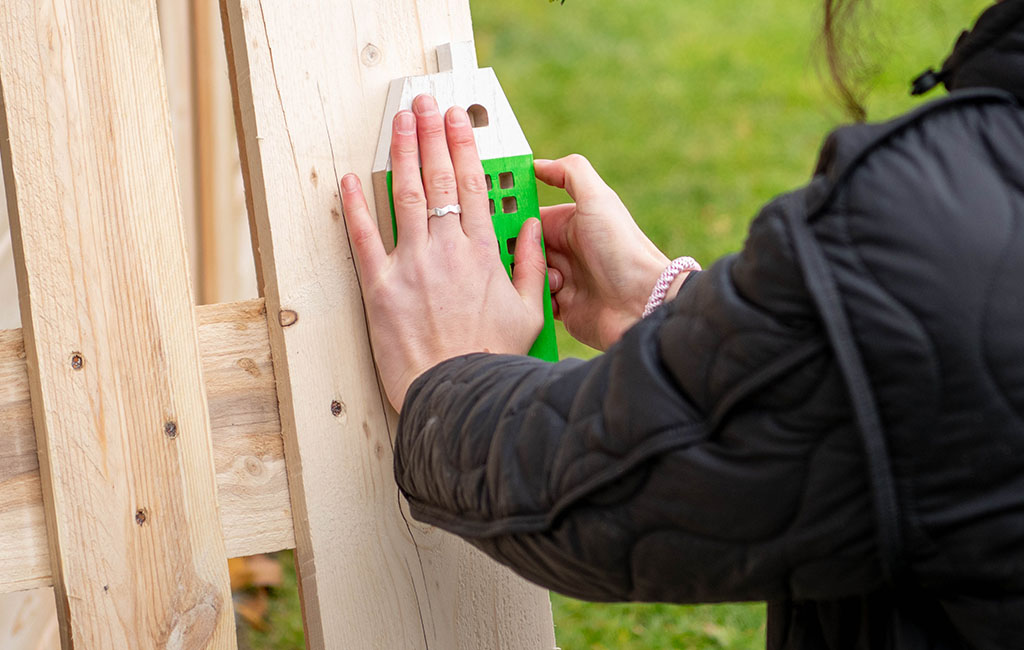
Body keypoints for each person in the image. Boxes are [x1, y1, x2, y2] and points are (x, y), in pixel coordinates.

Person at [339, 1, 1024, 647]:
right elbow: (868, 412)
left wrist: (450, 375)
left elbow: (611, 489)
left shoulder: (929, 223)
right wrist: (665, 304)